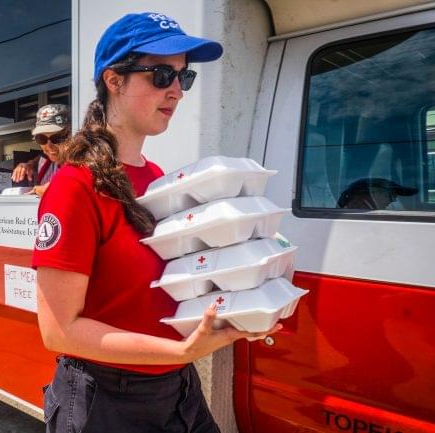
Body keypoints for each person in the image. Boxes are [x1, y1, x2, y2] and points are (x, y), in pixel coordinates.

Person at [32, 12, 281, 433]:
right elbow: (59, 331)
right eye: (162, 74)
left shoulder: (156, 177)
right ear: (114, 80)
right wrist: (182, 350)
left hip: (174, 385)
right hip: (104, 401)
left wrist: (237, 310)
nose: (176, 92)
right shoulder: (74, 186)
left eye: (184, 78)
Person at [11, 104, 69, 196]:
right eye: (42, 139)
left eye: (57, 138)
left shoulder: (84, 163)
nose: (49, 146)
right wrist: (28, 164)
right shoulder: (47, 160)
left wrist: (51, 190)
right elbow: (43, 156)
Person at [337, 177, 417, 210]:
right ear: (373, 193)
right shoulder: (358, 216)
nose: (393, 200)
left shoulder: (360, 213)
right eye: (391, 195)